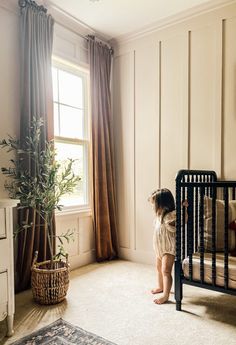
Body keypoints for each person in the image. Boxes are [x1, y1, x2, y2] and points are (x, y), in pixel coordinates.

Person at [148, 188, 187, 305]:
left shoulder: (170, 216)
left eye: (154, 204)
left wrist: (183, 207)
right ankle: (160, 286)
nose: (152, 207)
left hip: (169, 249)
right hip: (159, 249)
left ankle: (166, 295)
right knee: (159, 268)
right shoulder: (159, 216)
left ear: (162, 205)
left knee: (166, 270)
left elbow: (181, 219)